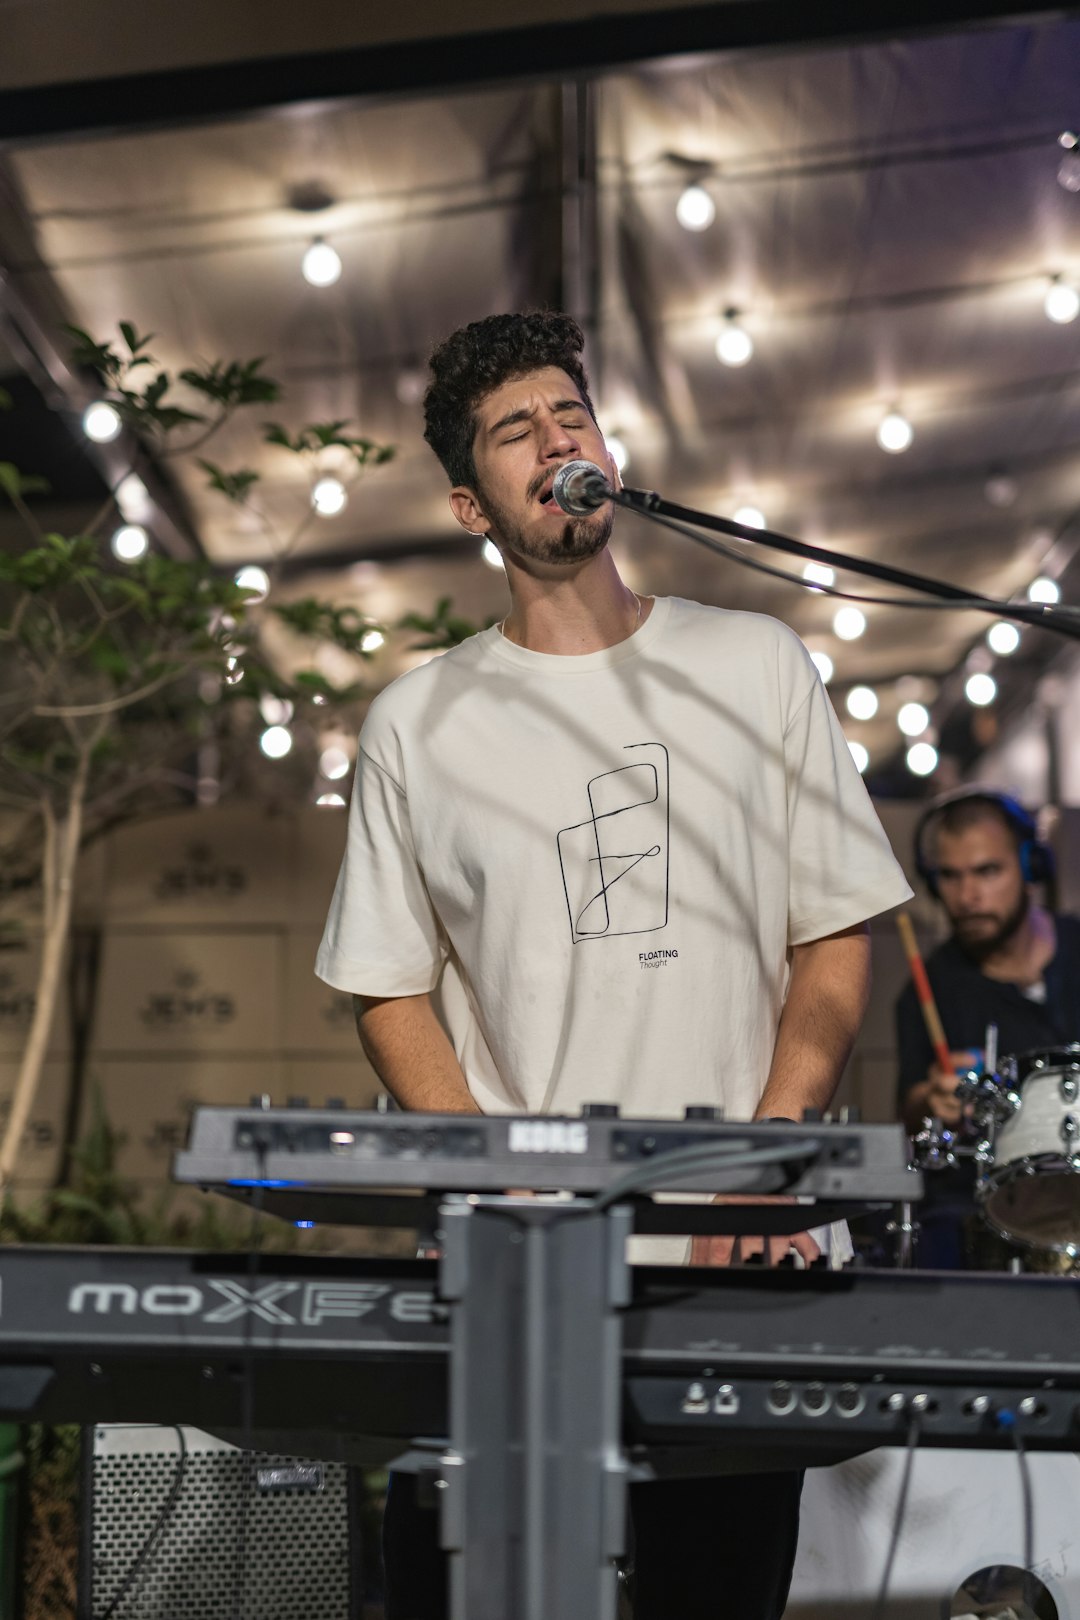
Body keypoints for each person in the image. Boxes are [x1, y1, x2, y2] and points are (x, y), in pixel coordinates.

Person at [316, 310, 913, 1619]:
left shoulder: (750, 665)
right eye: (515, 430)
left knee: (717, 1592)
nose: (554, 438)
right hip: (511, 1275)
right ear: (473, 504)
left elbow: (834, 931)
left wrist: (774, 1154)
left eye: (569, 414)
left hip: (736, 1256)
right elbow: (386, 985)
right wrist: (490, 1183)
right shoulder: (419, 721)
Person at [895, 789, 1080, 1268]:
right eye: (950, 877)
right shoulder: (929, 988)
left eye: (987, 871)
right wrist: (931, 1099)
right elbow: (910, 1110)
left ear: (1030, 869)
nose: (967, 896)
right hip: (988, 1214)